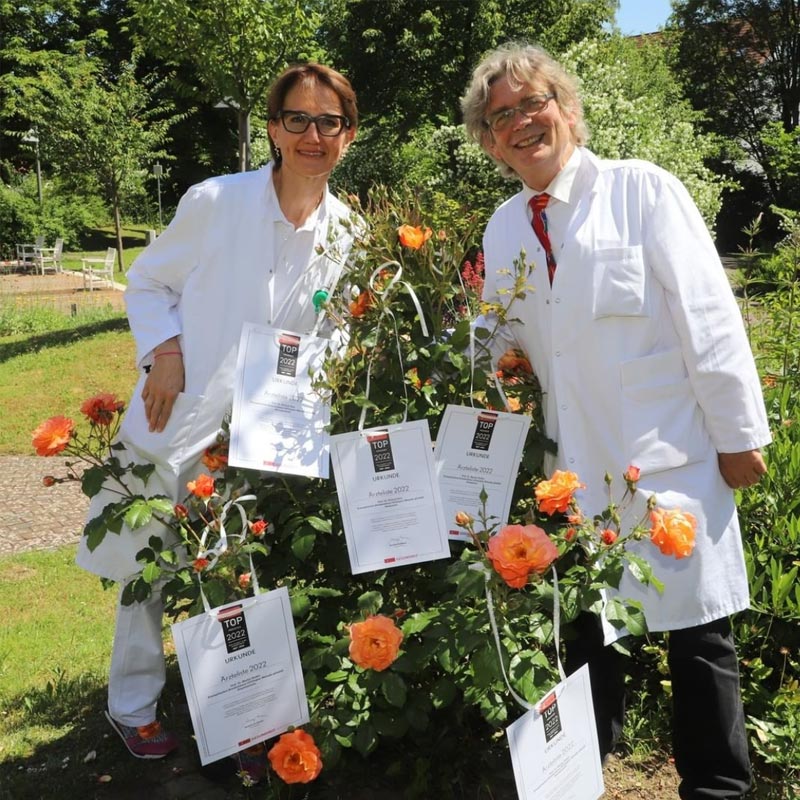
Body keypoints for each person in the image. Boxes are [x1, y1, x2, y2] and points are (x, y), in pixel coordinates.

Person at [462, 43, 770, 799]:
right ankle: (578, 782)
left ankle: (718, 790)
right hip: (573, 471)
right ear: (490, 143)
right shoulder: (504, 228)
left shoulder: (642, 191)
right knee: (586, 636)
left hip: (670, 458)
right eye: (501, 117)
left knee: (698, 637)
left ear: (567, 110)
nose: (521, 123)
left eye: (533, 103)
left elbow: (709, 316)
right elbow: (501, 343)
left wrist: (739, 436)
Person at [75, 63, 359, 773]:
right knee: (147, 567)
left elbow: (338, 333)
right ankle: (133, 706)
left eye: (329, 122)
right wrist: (164, 353)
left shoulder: (349, 231)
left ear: (349, 135)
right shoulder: (216, 202)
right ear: (273, 130)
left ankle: (242, 720)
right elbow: (147, 281)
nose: (313, 135)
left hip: (270, 435)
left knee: (244, 572)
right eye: (298, 119)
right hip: (179, 417)